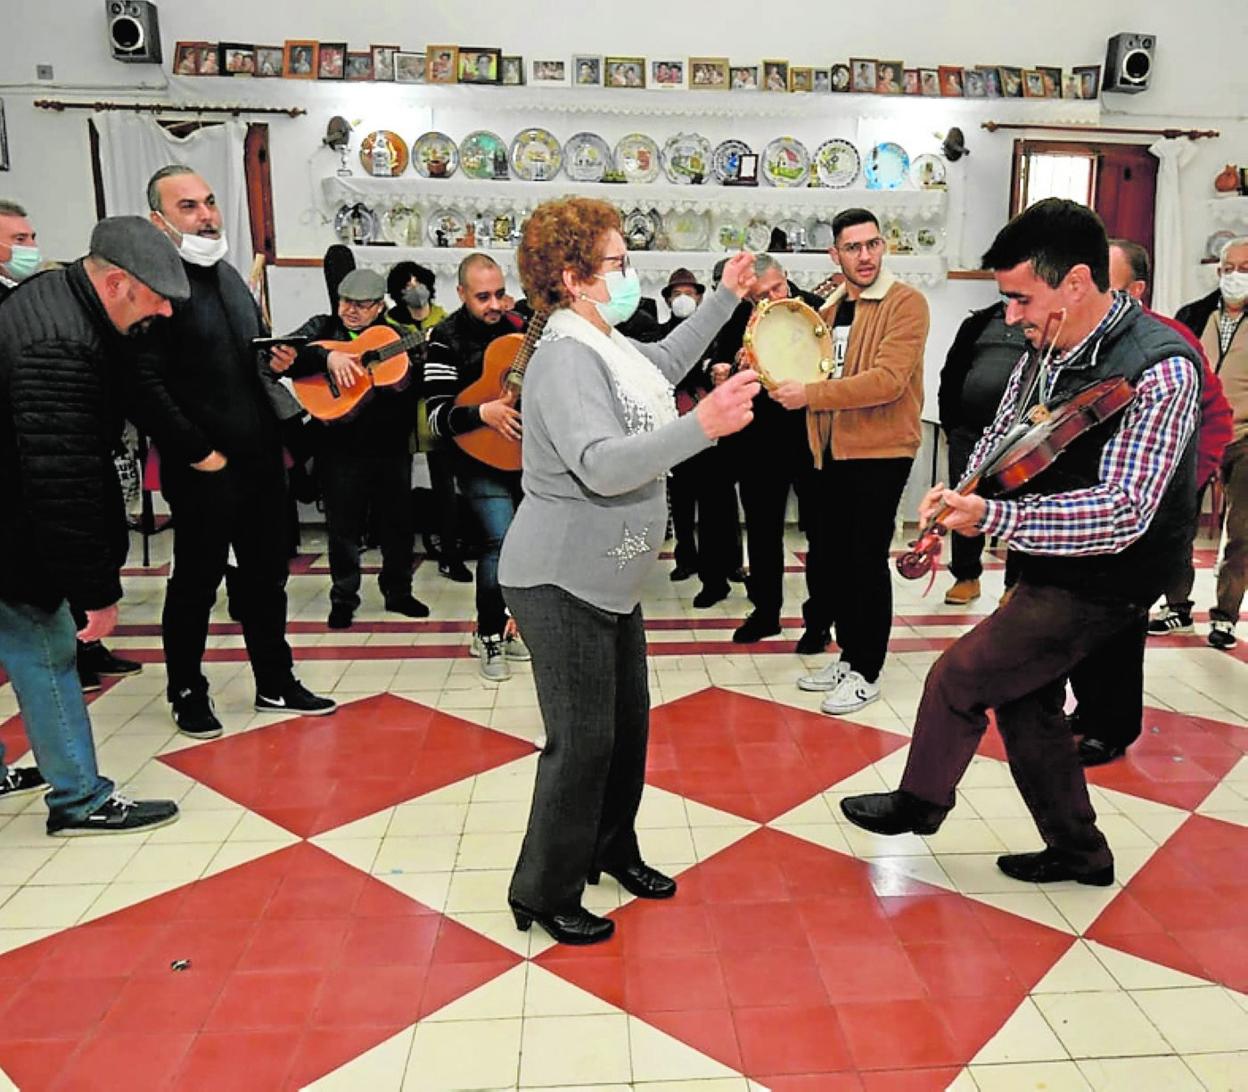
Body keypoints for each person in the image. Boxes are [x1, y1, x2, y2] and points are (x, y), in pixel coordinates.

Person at [840, 199, 1202, 887]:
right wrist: (959, 495)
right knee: (1025, 697)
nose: (1010, 316)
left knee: (963, 675)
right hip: (1051, 558)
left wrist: (995, 521)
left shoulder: (1163, 368)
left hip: (1111, 576)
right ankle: (1079, 851)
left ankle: (920, 803)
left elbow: (1123, 512)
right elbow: (1010, 432)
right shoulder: (1048, 346)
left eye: (1019, 297)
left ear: (1075, 283)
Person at [499, 196, 760, 944]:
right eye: (616, 263)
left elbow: (669, 363)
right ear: (574, 277)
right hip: (559, 578)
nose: (629, 275)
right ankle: (543, 890)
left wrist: (727, 297)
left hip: (608, 578)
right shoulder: (562, 356)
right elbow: (602, 467)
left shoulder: (604, 341)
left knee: (624, 732)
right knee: (580, 742)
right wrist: (701, 426)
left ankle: (609, 849)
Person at [126, 165, 336, 739]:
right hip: (203, 468)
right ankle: (188, 690)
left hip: (261, 461)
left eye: (211, 202)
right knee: (196, 581)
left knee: (267, 578)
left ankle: (275, 680)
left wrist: (277, 360)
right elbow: (144, 385)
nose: (207, 215)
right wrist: (198, 453)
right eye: (189, 206)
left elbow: (250, 356)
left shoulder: (229, 278)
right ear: (159, 221)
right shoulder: (156, 286)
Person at [0, 216, 186, 834]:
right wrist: (95, 593)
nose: (161, 311)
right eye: (154, 297)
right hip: (14, 532)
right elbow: (63, 480)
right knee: (46, 652)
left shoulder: (52, 300)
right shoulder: (58, 343)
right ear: (114, 284)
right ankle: (80, 800)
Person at [1065, 239, 1232, 765]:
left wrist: (1180, 488)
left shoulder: (1168, 341)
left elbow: (1217, 420)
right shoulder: (1086, 337)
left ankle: (1110, 727)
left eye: (1105, 283)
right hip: (1092, 507)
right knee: (1082, 618)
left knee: (1120, 623)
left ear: (1135, 290)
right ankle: (1087, 709)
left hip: (1142, 513)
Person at [772, 208, 929, 714]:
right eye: (853, 247)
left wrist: (811, 396)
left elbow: (888, 380)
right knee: (834, 559)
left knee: (865, 561)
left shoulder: (906, 303)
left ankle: (867, 670)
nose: (865, 256)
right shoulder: (833, 305)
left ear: (884, 247)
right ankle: (847, 655)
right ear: (834, 254)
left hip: (881, 451)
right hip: (832, 450)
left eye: (872, 244)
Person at [0, 200, 146, 688]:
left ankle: (89, 642)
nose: (31, 249)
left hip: (78, 456)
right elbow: (52, 463)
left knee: (97, 540)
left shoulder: (46, 297)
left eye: (31, 238)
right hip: (26, 489)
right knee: (43, 652)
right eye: (18, 241)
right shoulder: (42, 329)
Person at [274, 269, 428, 629]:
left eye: (360, 305)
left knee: (397, 524)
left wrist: (405, 369)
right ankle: (343, 596)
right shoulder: (323, 328)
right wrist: (327, 359)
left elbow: (416, 386)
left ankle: (398, 591)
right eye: (345, 302)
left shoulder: (399, 335)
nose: (350, 311)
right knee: (343, 526)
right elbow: (285, 356)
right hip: (338, 447)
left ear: (379, 307)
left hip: (390, 447)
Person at [707, 254, 825, 647]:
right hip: (758, 441)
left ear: (786, 278)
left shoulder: (815, 310)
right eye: (761, 296)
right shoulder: (737, 319)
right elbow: (718, 364)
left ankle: (819, 621)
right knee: (761, 531)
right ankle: (766, 612)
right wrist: (724, 370)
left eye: (777, 288)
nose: (772, 298)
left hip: (811, 436)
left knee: (821, 533)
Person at [424, 253, 529, 681]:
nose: (494, 305)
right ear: (461, 293)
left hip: (524, 457)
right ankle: (487, 635)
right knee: (498, 544)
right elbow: (435, 417)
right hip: (476, 456)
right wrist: (483, 413)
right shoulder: (443, 338)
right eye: (482, 296)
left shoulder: (519, 331)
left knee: (524, 551)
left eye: (500, 293)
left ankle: (511, 626)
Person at [1175, 236, 1248, 650]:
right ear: (1218, 272)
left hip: (1244, 438)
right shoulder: (1193, 314)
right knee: (1178, 521)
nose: (1236, 276)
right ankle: (1177, 606)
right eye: (1229, 268)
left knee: (1241, 531)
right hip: (1194, 433)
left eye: (1245, 267)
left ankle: (1225, 616)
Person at [935, 300, 1029, 605]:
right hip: (969, 432)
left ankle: (1015, 582)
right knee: (962, 502)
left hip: (1021, 439)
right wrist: (952, 425)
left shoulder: (1042, 320)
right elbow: (950, 375)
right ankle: (966, 576)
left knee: (1020, 506)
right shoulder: (977, 323)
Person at [660, 269, 740, 606]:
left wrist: (712, 369)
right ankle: (687, 559)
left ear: (700, 296)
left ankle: (723, 571)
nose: (683, 298)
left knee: (717, 506)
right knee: (681, 501)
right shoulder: (661, 334)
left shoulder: (718, 331)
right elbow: (667, 371)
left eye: (690, 292)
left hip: (714, 431)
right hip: (676, 429)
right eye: (677, 292)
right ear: (667, 299)